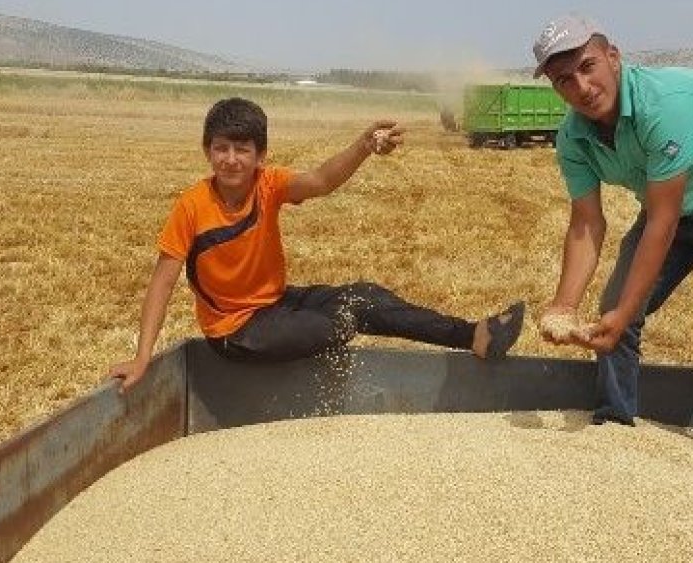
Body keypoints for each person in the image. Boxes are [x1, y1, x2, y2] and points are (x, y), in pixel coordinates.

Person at [110, 97, 525, 393]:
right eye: (221, 148)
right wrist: (143, 357)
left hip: (276, 303)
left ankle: (474, 335)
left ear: (260, 155)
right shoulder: (192, 207)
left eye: (242, 149)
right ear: (207, 152)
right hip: (236, 332)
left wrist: (364, 147)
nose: (231, 159)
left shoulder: (268, 184)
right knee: (336, 322)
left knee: (367, 297)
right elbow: (162, 283)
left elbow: (323, 180)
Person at [530, 14, 693, 443]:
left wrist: (625, 315)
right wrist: (563, 305)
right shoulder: (573, 138)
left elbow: (663, 225)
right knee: (614, 306)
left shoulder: (665, 105)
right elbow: (586, 223)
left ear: (613, 57)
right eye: (564, 81)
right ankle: (614, 428)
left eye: (588, 67)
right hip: (669, 206)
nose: (582, 89)